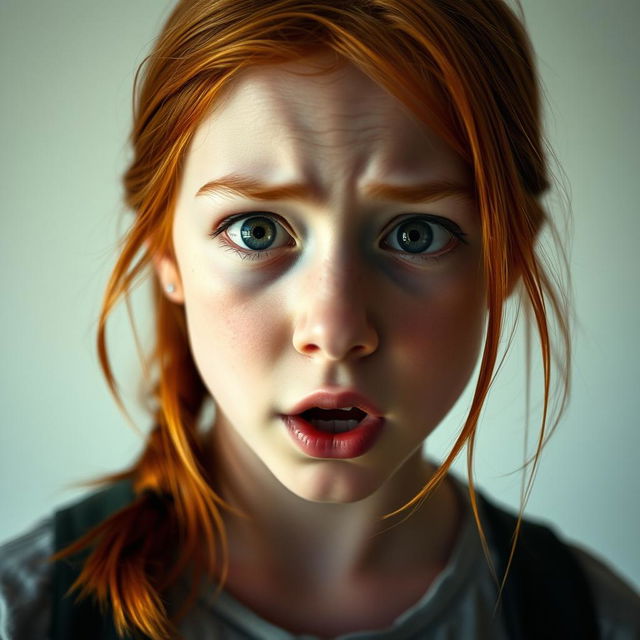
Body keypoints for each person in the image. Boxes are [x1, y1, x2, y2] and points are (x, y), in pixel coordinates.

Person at [1, 0, 638, 638]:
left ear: (506, 262)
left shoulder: (598, 622)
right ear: (166, 252)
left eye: (416, 235)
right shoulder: (22, 618)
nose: (334, 330)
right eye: (256, 231)